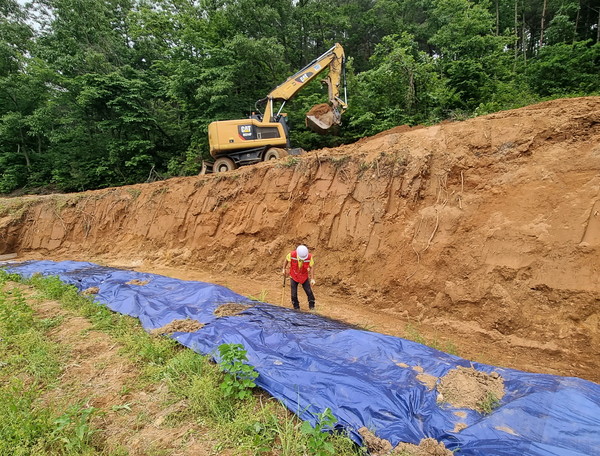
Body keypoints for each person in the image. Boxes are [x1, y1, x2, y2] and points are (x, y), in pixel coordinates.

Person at [282, 244, 316, 311]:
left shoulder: (309, 257)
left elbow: (312, 267)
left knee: (309, 292)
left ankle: (312, 307)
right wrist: (283, 268)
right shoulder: (291, 255)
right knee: (293, 294)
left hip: (304, 276)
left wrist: (312, 279)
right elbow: (286, 260)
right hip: (294, 275)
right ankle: (296, 308)